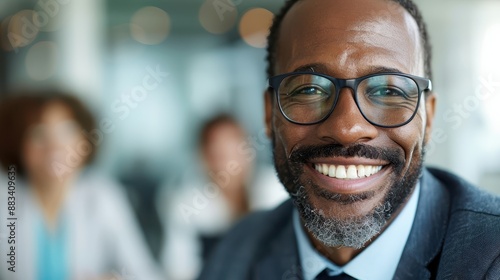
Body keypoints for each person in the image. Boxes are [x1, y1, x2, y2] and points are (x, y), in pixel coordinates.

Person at [199, 0, 500, 279]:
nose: (346, 128)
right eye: (309, 89)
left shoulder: (491, 254)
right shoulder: (231, 256)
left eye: (388, 91)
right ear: (269, 114)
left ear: (429, 119)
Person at [0, 91, 163, 280]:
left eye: (66, 131)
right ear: (17, 144)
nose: (54, 145)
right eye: (38, 133)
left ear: (84, 141)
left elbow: (146, 274)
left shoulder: (103, 195)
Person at [159, 114, 287, 279]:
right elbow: (178, 270)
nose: (230, 164)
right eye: (220, 155)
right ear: (204, 158)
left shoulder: (274, 189)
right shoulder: (188, 205)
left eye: (236, 152)